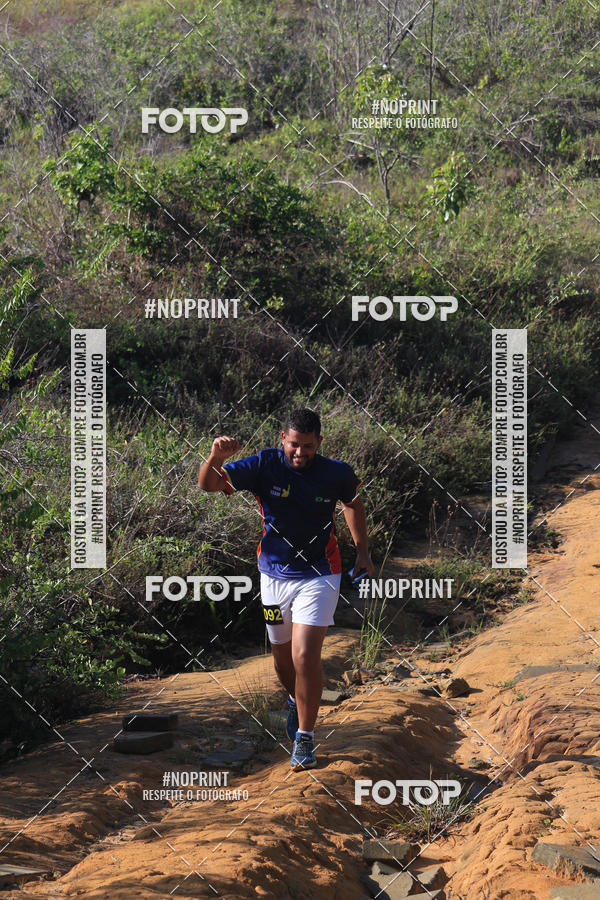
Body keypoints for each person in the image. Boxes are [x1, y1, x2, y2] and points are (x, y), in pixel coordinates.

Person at [198, 408, 374, 769]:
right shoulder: (264, 465)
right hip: (273, 577)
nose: (300, 453)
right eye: (294, 445)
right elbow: (209, 485)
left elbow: (352, 504)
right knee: (281, 657)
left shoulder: (336, 472)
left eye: (308, 446)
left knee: (305, 655)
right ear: (283, 439)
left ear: (319, 443)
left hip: (320, 574)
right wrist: (216, 457)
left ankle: (305, 739)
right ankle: (296, 700)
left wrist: (363, 553)